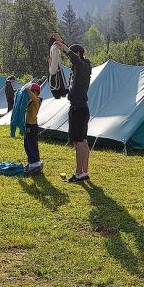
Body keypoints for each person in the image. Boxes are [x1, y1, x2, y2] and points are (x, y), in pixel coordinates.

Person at [52, 32, 92, 182]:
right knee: (83, 141)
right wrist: (61, 43)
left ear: (78, 54)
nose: (70, 60)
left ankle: (79, 173)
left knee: (78, 142)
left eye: (72, 55)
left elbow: (74, 58)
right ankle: (84, 172)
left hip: (79, 109)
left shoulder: (83, 66)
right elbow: (72, 56)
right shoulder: (79, 69)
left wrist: (63, 46)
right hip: (79, 108)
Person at [24, 83, 43, 173]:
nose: (30, 93)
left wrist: (27, 90)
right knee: (27, 145)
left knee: (32, 145)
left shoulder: (37, 100)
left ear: (35, 92)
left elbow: (34, 97)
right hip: (27, 125)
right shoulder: (30, 101)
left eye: (32, 91)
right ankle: (31, 162)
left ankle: (35, 163)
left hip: (32, 126)